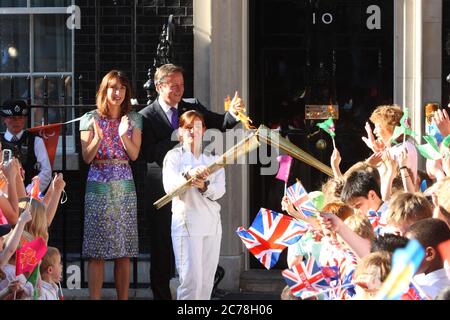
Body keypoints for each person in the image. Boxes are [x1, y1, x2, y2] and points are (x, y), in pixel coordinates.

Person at [139, 63, 244, 300]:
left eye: (182, 85)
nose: (179, 90)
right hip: (164, 190)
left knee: (198, 265)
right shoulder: (146, 115)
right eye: (174, 86)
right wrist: (179, 138)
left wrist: (234, 113)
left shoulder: (191, 107)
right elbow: (148, 153)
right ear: (159, 86)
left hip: (198, 196)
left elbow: (220, 122)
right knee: (163, 250)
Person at [80, 70, 142, 300]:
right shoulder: (90, 118)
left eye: (122, 88)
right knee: (96, 252)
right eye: (113, 87)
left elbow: (134, 154)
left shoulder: (133, 119)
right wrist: (98, 137)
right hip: (97, 182)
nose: (118, 92)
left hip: (124, 184)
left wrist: (123, 134)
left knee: (123, 251)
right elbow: (87, 157)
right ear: (104, 90)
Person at [162, 110, 226, 300]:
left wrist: (204, 186)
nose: (192, 131)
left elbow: (220, 190)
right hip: (187, 225)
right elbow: (170, 187)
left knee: (206, 282)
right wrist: (188, 177)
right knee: (191, 281)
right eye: (188, 127)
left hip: (211, 225)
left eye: (197, 126)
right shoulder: (173, 157)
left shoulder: (212, 160)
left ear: (204, 130)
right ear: (180, 131)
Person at [0, 99, 52, 193]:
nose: (17, 122)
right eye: (12, 118)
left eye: (20, 117)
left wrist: (28, 191)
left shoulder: (35, 140)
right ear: (4, 119)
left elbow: (46, 171)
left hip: (29, 196)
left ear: (25, 119)